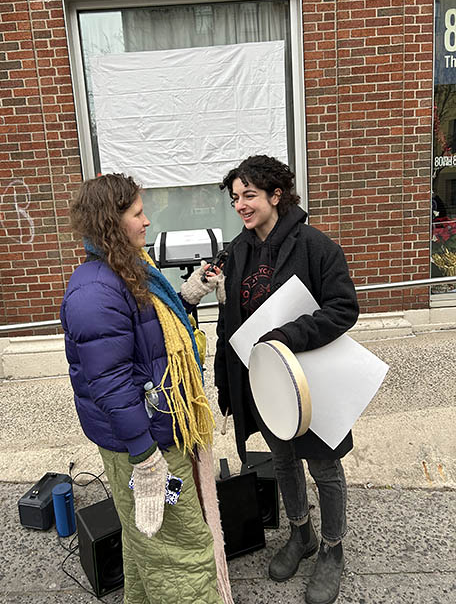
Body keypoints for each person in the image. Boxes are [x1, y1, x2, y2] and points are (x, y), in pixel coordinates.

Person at [60, 173, 231, 604]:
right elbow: (111, 384)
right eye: (137, 213)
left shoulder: (128, 268)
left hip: (156, 432)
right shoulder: (95, 291)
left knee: (148, 544)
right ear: (111, 222)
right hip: (146, 445)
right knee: (184, 550)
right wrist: (146, 458)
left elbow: (150, 332)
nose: (147, 221)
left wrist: (189, 294)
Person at [214, 155, 359, 604]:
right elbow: (228, 322)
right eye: (235, 198)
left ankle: (332, 549)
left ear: (276, 195)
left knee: (324, 465)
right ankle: (301, 534)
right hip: (265, 381)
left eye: (249, 195)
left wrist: (288, 334)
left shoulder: (316, 246)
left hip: (312, 378)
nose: (240, 205)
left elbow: (343, 308)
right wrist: (225, 381)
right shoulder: (237, 252)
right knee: (282, 460)